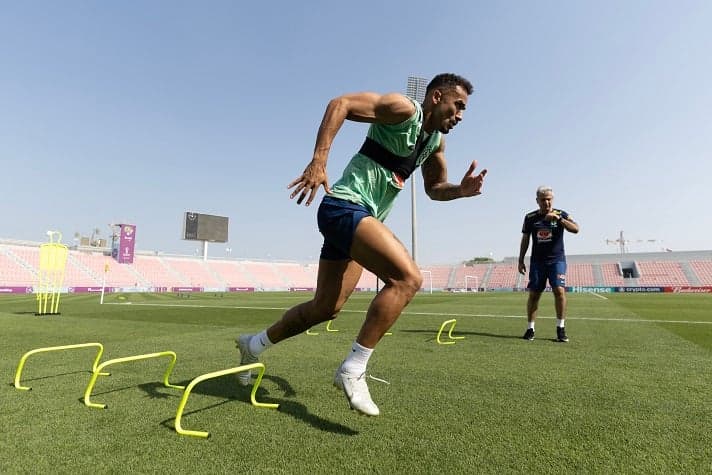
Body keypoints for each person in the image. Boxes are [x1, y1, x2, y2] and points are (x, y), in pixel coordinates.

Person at [236, 73, 487, 416]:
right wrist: (319, 161)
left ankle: (253, 344)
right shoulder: (403, 109)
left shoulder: (435, 144)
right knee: (408, 279)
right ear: (436, 97)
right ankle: (353, 369)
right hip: (344, 206)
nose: (459, 116)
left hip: (360, 218)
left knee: (326, 308)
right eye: (457, 106)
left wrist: (460, 190)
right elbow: (341, 104)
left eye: (463, 111)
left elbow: (434, 187)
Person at [518, 185, 579, 342]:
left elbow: (576, 229)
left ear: (553, 199)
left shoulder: (561, 214)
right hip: (537, 262)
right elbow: (525, 239)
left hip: (556, 260)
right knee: (534, 294)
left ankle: (561, 328)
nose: (547, 202)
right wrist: (520, 259)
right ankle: (530, 328)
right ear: (537, 201)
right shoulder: (530, 217)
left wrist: (559, 220)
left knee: (559, 291)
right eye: (543, 199)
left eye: (549, 199)